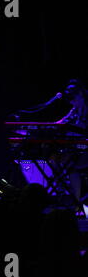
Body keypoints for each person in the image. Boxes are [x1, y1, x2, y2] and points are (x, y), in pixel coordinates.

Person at [55, 79, 88, 215]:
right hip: (77, 150)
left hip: (84, 151)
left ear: (81, 95)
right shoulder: (74, 110)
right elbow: (61, 123)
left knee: (72, 165)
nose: (72, 103)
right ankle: (67, 194)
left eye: (74, 99)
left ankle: (76, 201)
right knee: (54, 159)